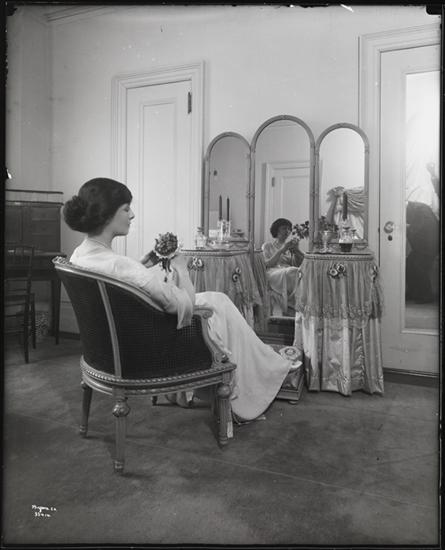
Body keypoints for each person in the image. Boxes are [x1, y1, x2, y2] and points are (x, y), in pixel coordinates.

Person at [63, 177, 292, 422]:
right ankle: (266, 371)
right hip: (150, 349)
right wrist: (182, 268)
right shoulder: (121, 266)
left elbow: (118, 284)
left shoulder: (80, 255)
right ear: (107, 215)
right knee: (220, 304)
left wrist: (143, 265)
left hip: (107, 351)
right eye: (126, 209)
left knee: (217, 300)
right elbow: (184, 306)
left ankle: (266, 364)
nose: (132, 215)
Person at [262, 218, 303, 316]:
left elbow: (297, 265)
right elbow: (267, 264)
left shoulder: (289, 246)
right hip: (272, 272)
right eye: (284, 228)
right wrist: (282, 250)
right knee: (291, 271)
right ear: (277, 230)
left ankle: (296, 305)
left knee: (298, 272)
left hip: (288, 271)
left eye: (289, 229)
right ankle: (292, 306)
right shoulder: (267, 245)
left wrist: (297, 251)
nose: (287, 231)